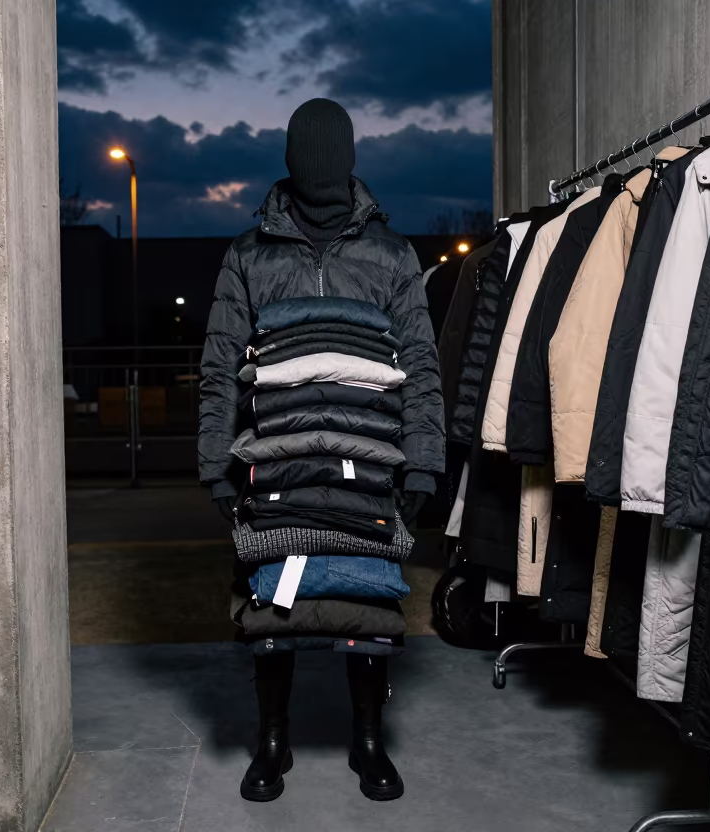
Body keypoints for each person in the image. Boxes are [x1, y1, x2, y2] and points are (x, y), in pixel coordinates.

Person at [197, 98, 445, 801]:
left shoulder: (391, 256)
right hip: (273, 460)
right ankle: (272, 741)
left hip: (370, 460)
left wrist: (423, 461)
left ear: (349, 158)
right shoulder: (249, 255)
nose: (320, 166)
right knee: (270, 597)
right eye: (309, 151)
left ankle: (368, 741)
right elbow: (219, 366)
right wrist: (216, 463)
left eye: (329, 151)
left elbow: (422, 367)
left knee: (367, 598)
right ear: (290, 158)